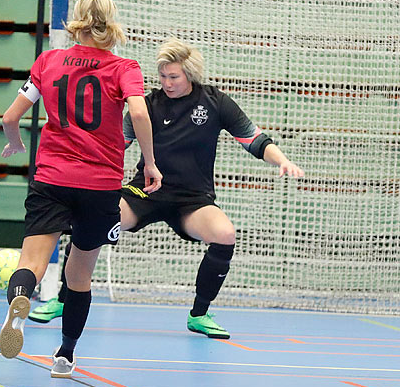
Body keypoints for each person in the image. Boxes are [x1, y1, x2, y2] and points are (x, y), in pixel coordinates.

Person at [30, 38, 303, 340]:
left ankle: (199, 314)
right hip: (144, 192)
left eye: (173, 76)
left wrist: (283, 160)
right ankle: (64, 299)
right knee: (94, 220)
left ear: (190, 74)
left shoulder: (215, 102)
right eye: (162, 76)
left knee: (225, 234)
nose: (167, 83)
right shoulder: (146, 105)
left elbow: (254, 139)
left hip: (192, 200)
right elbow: (115, 143)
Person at [0, 0, 162, 378]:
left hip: (51, 177)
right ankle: (65, 355)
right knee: (79, 276)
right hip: (99, 183)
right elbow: (138, 110)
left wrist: (17, 141)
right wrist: (150, 162)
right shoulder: (125, 67)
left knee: (32, 263)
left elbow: (10, 116)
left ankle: (20, 301)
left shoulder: (49, 61)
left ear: (77, 21)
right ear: (111, 23)